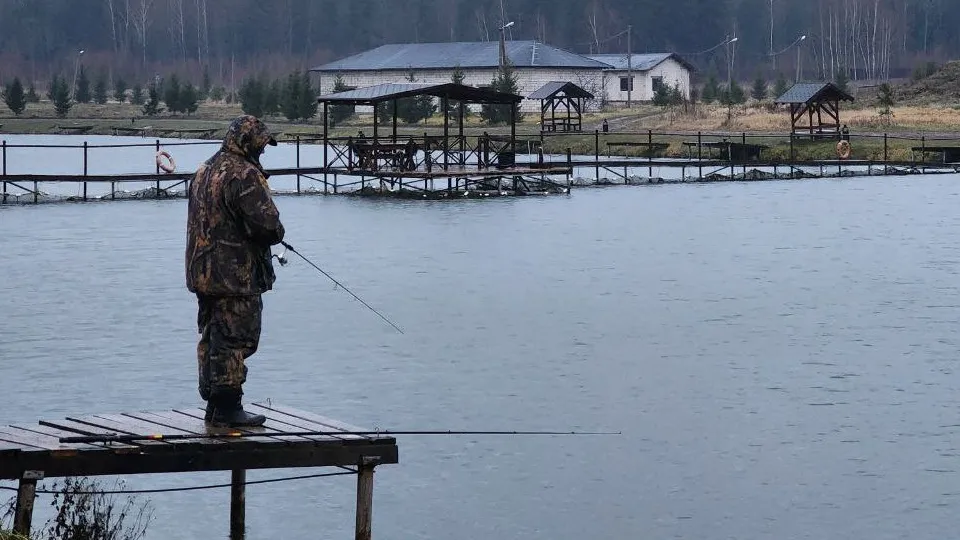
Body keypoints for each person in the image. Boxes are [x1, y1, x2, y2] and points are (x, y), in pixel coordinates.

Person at [185, 115, 285, 427]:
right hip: (234, 274)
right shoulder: (244, 174)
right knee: (235, 338)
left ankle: (215, 406)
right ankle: (229, 408)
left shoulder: (204, 170)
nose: (264, 150)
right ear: (248, 143)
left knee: (215, 335)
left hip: (203, 271)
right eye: (261, 145)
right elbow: (268, 226)